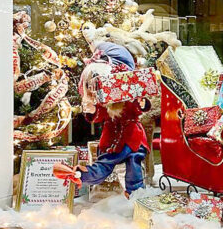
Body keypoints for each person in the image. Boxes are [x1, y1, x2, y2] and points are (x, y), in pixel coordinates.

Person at [53, 42, 150, 197]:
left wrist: (142, 103)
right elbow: (99, 116)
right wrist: (92, 110)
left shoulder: (128, 95)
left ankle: (135, 193)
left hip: (133, 137)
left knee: (134, 162)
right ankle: (80, 174)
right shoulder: (102, 103)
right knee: (105, 163)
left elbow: (138, 109)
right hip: (111, 139)